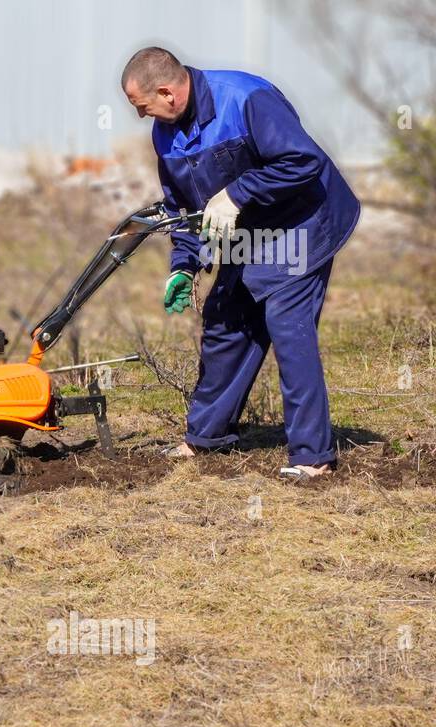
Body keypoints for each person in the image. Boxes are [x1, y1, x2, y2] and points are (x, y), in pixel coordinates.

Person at [121, 47, 360, 479]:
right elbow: (184, 207)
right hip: (247, 233)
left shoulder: (246, 98)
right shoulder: (165, 132)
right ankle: (206, 437)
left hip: (301, 222)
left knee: (288, 325)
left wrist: (237, 193)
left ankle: (312, 457)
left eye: (142, 106)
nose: (141, 116)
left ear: (167, 92)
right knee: (226, 319)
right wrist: (183, 264)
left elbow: (303, 160)